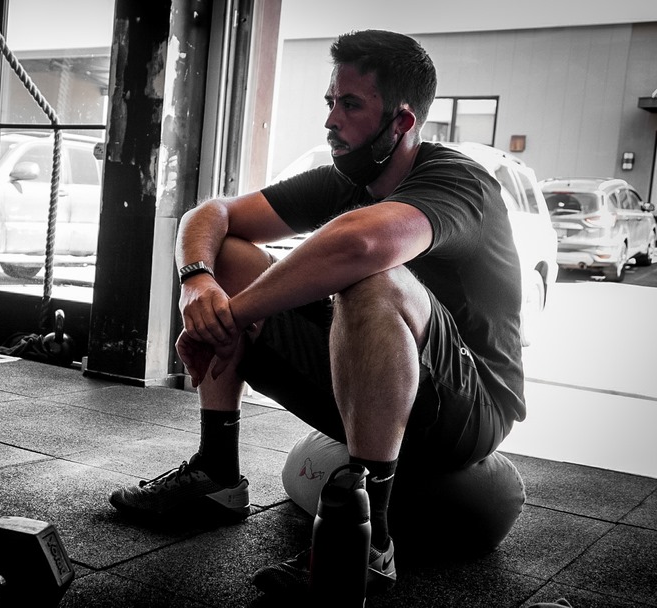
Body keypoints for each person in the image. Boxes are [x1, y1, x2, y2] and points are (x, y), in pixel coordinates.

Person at [109, 29, 525, 596]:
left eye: (350, 105)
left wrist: (227, 319)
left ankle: (369, 544)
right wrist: (198, 282)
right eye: (331, 101)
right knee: (229, 255)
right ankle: (216, 472)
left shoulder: (459, 181)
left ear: (402, 122)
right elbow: (210, 214)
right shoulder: (345, 177)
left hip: (465, 408)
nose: (331, 120)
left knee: (372, 279)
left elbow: (361, 244)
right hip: (371, 384)